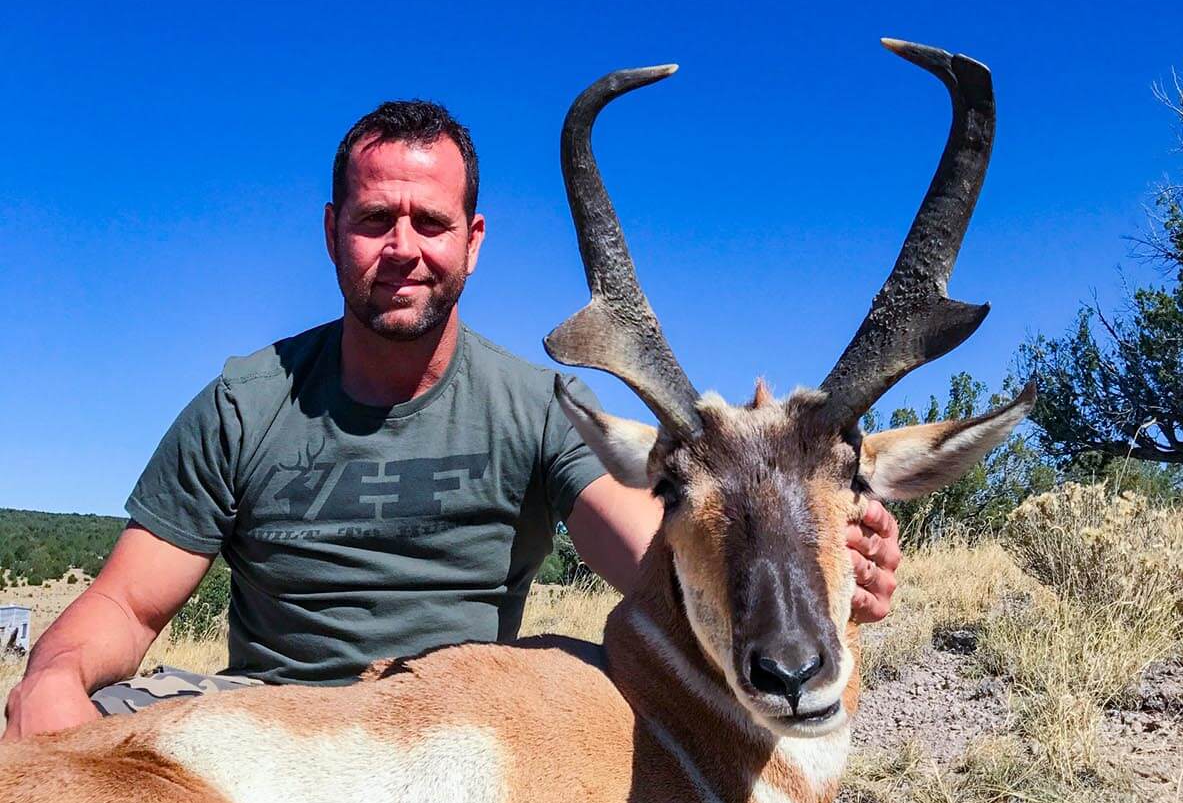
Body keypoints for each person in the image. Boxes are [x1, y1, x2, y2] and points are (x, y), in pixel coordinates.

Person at [4, 99, 900, 740]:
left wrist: (785, 528)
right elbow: (122, 604)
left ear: (472, 240)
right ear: (330, 232)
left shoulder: (537, 409)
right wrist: (51, 679)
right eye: (373, 219)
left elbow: (658, 563)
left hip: (453, 742)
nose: (402, 248)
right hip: (260, 732)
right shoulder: (244, 404)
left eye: (429, 222)